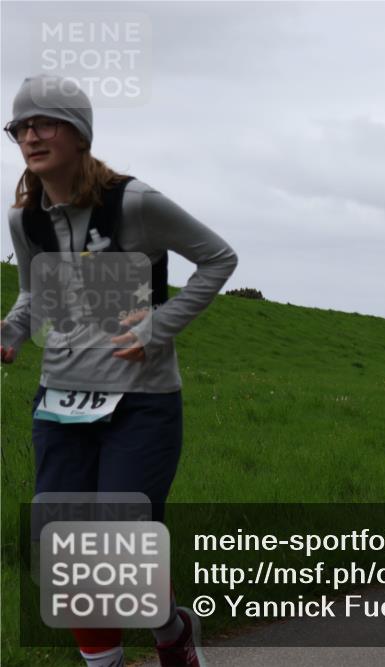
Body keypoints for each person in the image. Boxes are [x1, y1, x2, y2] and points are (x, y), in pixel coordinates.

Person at [1, 75, 237, 667]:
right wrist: (9, 333)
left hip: (141, 402)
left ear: (79, 133)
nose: (31, 136)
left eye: (44, 123)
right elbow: (35, 295)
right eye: (20, 127)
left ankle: (171, 632)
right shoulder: (24, 221)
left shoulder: (133, 203)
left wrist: (158, 327)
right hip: (60, 400)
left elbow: (218, 258)